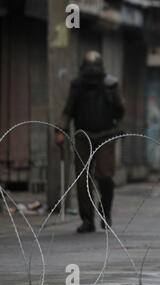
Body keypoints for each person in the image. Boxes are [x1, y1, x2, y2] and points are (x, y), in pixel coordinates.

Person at [55, 51, 125, 233]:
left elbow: (121, 110)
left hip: (106, 134)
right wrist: (60, 131)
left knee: (105, 175)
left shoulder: (111, 85)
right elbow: (67, 110)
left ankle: (105, 210)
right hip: (82, 136)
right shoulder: (77, 86)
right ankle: (87, 219)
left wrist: (120, 131)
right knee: (82, 179)